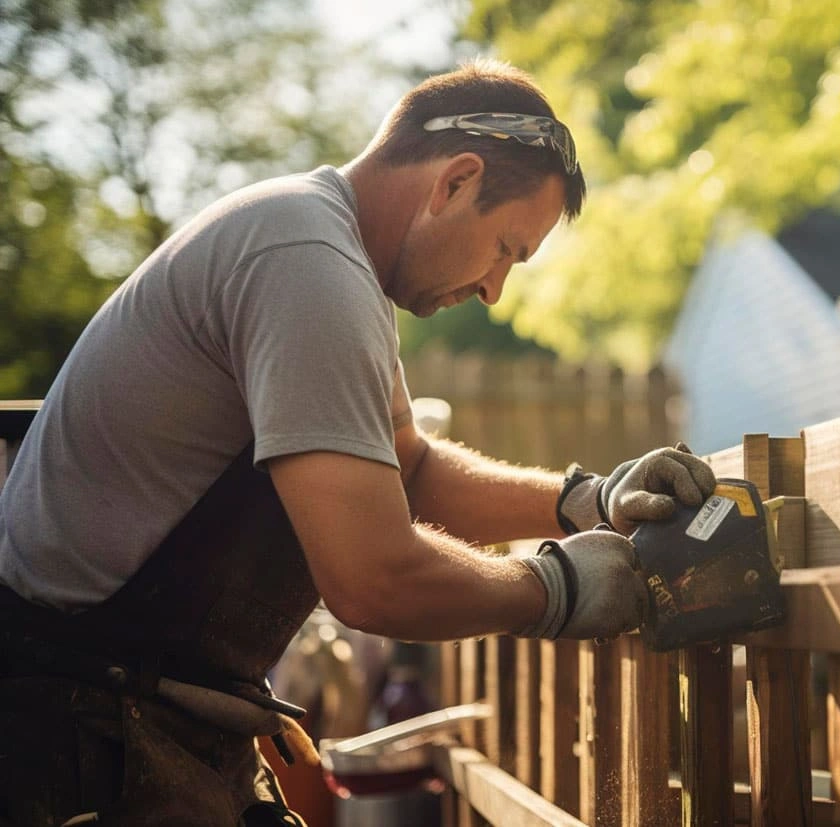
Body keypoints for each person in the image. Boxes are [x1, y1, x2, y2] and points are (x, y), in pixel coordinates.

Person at [0, 59, 716, 826]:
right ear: (455, 182)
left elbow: (410, 468)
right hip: (73, 734)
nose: (495, 288)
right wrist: (558, 591)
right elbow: (371, 577)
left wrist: (582, 498)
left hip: (137, 711)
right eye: (507, 247)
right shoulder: (307, 266)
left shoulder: (324, 253)